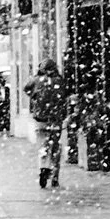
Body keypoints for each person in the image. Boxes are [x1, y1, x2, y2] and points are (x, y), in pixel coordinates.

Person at [24, 58, 67, 189]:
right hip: (55, 119)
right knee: (55, 147)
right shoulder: (59, 81)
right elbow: (65, 97)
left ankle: (43, 167)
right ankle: (55, 176)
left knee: (43, 145)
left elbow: (27, 89)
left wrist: (35, 98)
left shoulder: (37, 80)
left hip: (40, 119)